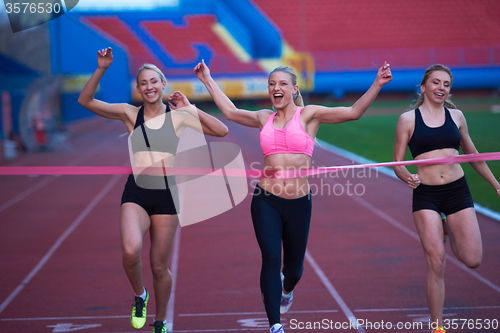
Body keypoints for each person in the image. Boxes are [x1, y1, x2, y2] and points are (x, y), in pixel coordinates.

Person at [194, 59, 392, 333]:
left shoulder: (309, 115)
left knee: (294, 270)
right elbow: (230, 111)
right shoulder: (264, 117)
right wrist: (207, 79)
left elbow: (353, 112)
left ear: (293, 89)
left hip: (299, 202)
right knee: (271, 258)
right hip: (266, 198)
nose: (276, 88)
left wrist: (378, 83)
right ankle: (275, 324)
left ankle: (287, 289)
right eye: (271, 84)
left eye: (282, 84)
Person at [78, 47, 228, 333]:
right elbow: (85, 100)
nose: (149, 87)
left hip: (167, 195)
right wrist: (102, 68)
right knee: (131, 251)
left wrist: (190, 109)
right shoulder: (128, 113)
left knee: (159, 266)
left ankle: (160, 322)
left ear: (163, 85)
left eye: (154, 81)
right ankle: (139, 296)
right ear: (138, 88)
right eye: (143, 83)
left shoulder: (179, 117)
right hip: (136, 192)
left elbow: (222, 131)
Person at [393, 64, 500, 332]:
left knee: (473, 258)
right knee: (436, 261)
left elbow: (473, 155)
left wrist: (496, 185)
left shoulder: (458, 116)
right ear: (423, 86)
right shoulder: (408, 119)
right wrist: (407, 177)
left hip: (457, 191)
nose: (441, 88)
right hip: (426, 195)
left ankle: (446, 228)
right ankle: (437, 326)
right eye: (436, 82)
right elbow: (397, 163)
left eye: (446, 84)